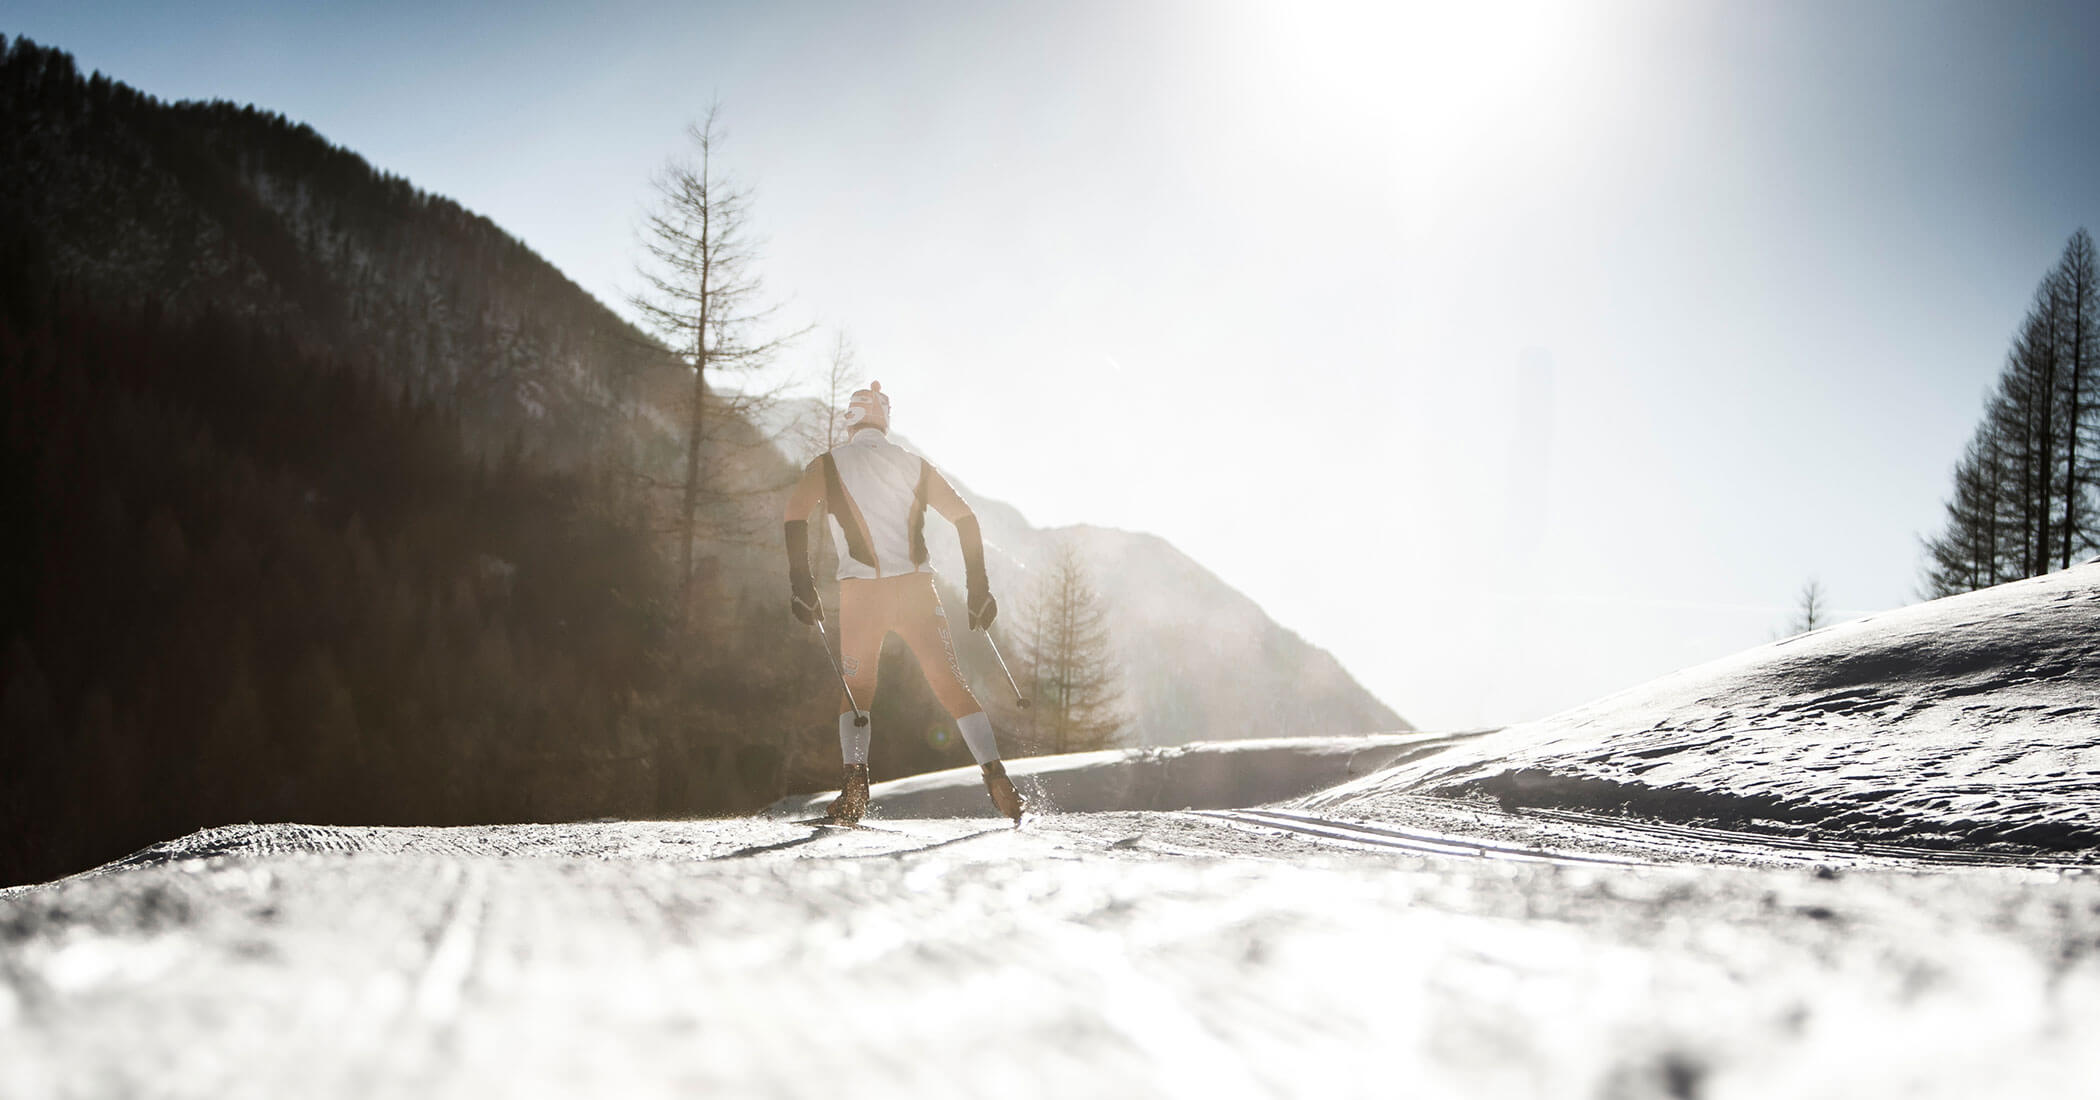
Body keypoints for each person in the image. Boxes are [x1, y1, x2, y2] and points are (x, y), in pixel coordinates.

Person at [782, 381, 1025, 825]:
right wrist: (977, 589)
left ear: (852, 420)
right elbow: (966, 519)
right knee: (951, 684)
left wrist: (802, 583)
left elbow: (794, 515)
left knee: (857, 691)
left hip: (861, 597)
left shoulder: (829, 464)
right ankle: (996, 777)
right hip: (916, 592)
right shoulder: (914, 464)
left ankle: (854, 791)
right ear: (885, 421)